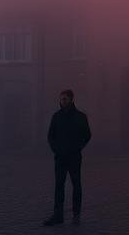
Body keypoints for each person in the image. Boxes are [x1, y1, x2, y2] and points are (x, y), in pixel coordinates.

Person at [43, 89, 91, 226]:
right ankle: (58, 216)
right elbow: (50, 136)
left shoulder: (80, 117)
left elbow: (87, 135)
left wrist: (78, 147)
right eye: (61, 99)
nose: (62, 101)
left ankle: (76, 215)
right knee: (59, 186)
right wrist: (55, 149)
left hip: (74, 157)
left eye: (65, 99)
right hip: (60, 157)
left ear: (71, 99)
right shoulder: (56, 117)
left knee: (76, 186)